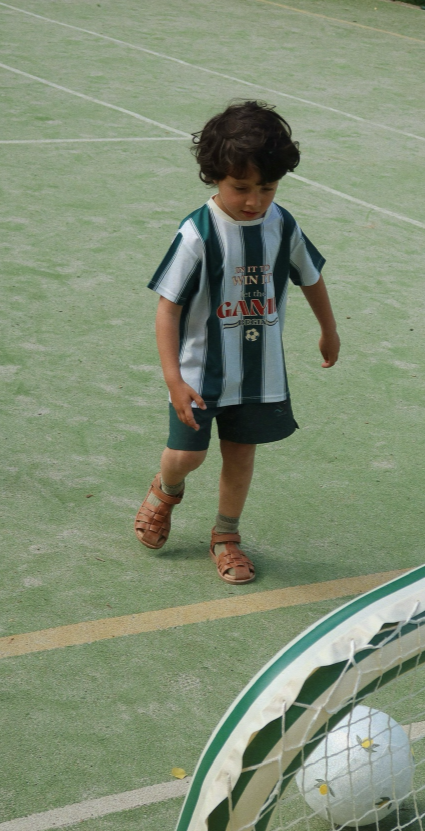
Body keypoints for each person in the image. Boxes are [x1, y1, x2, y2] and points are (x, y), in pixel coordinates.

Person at [134, 100, 340, 584]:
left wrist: (328, 329)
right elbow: (168, 307)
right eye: (241, 188)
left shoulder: (282, 224)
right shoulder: (198, 234)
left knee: (241, 454)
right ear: (213, 178)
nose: (255, 201)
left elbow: (310, 276)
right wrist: (173, 378)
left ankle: (226, 536)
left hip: (259, 372)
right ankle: (166, 490)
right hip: (199, 372)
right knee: (189, 455)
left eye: (266, 187)